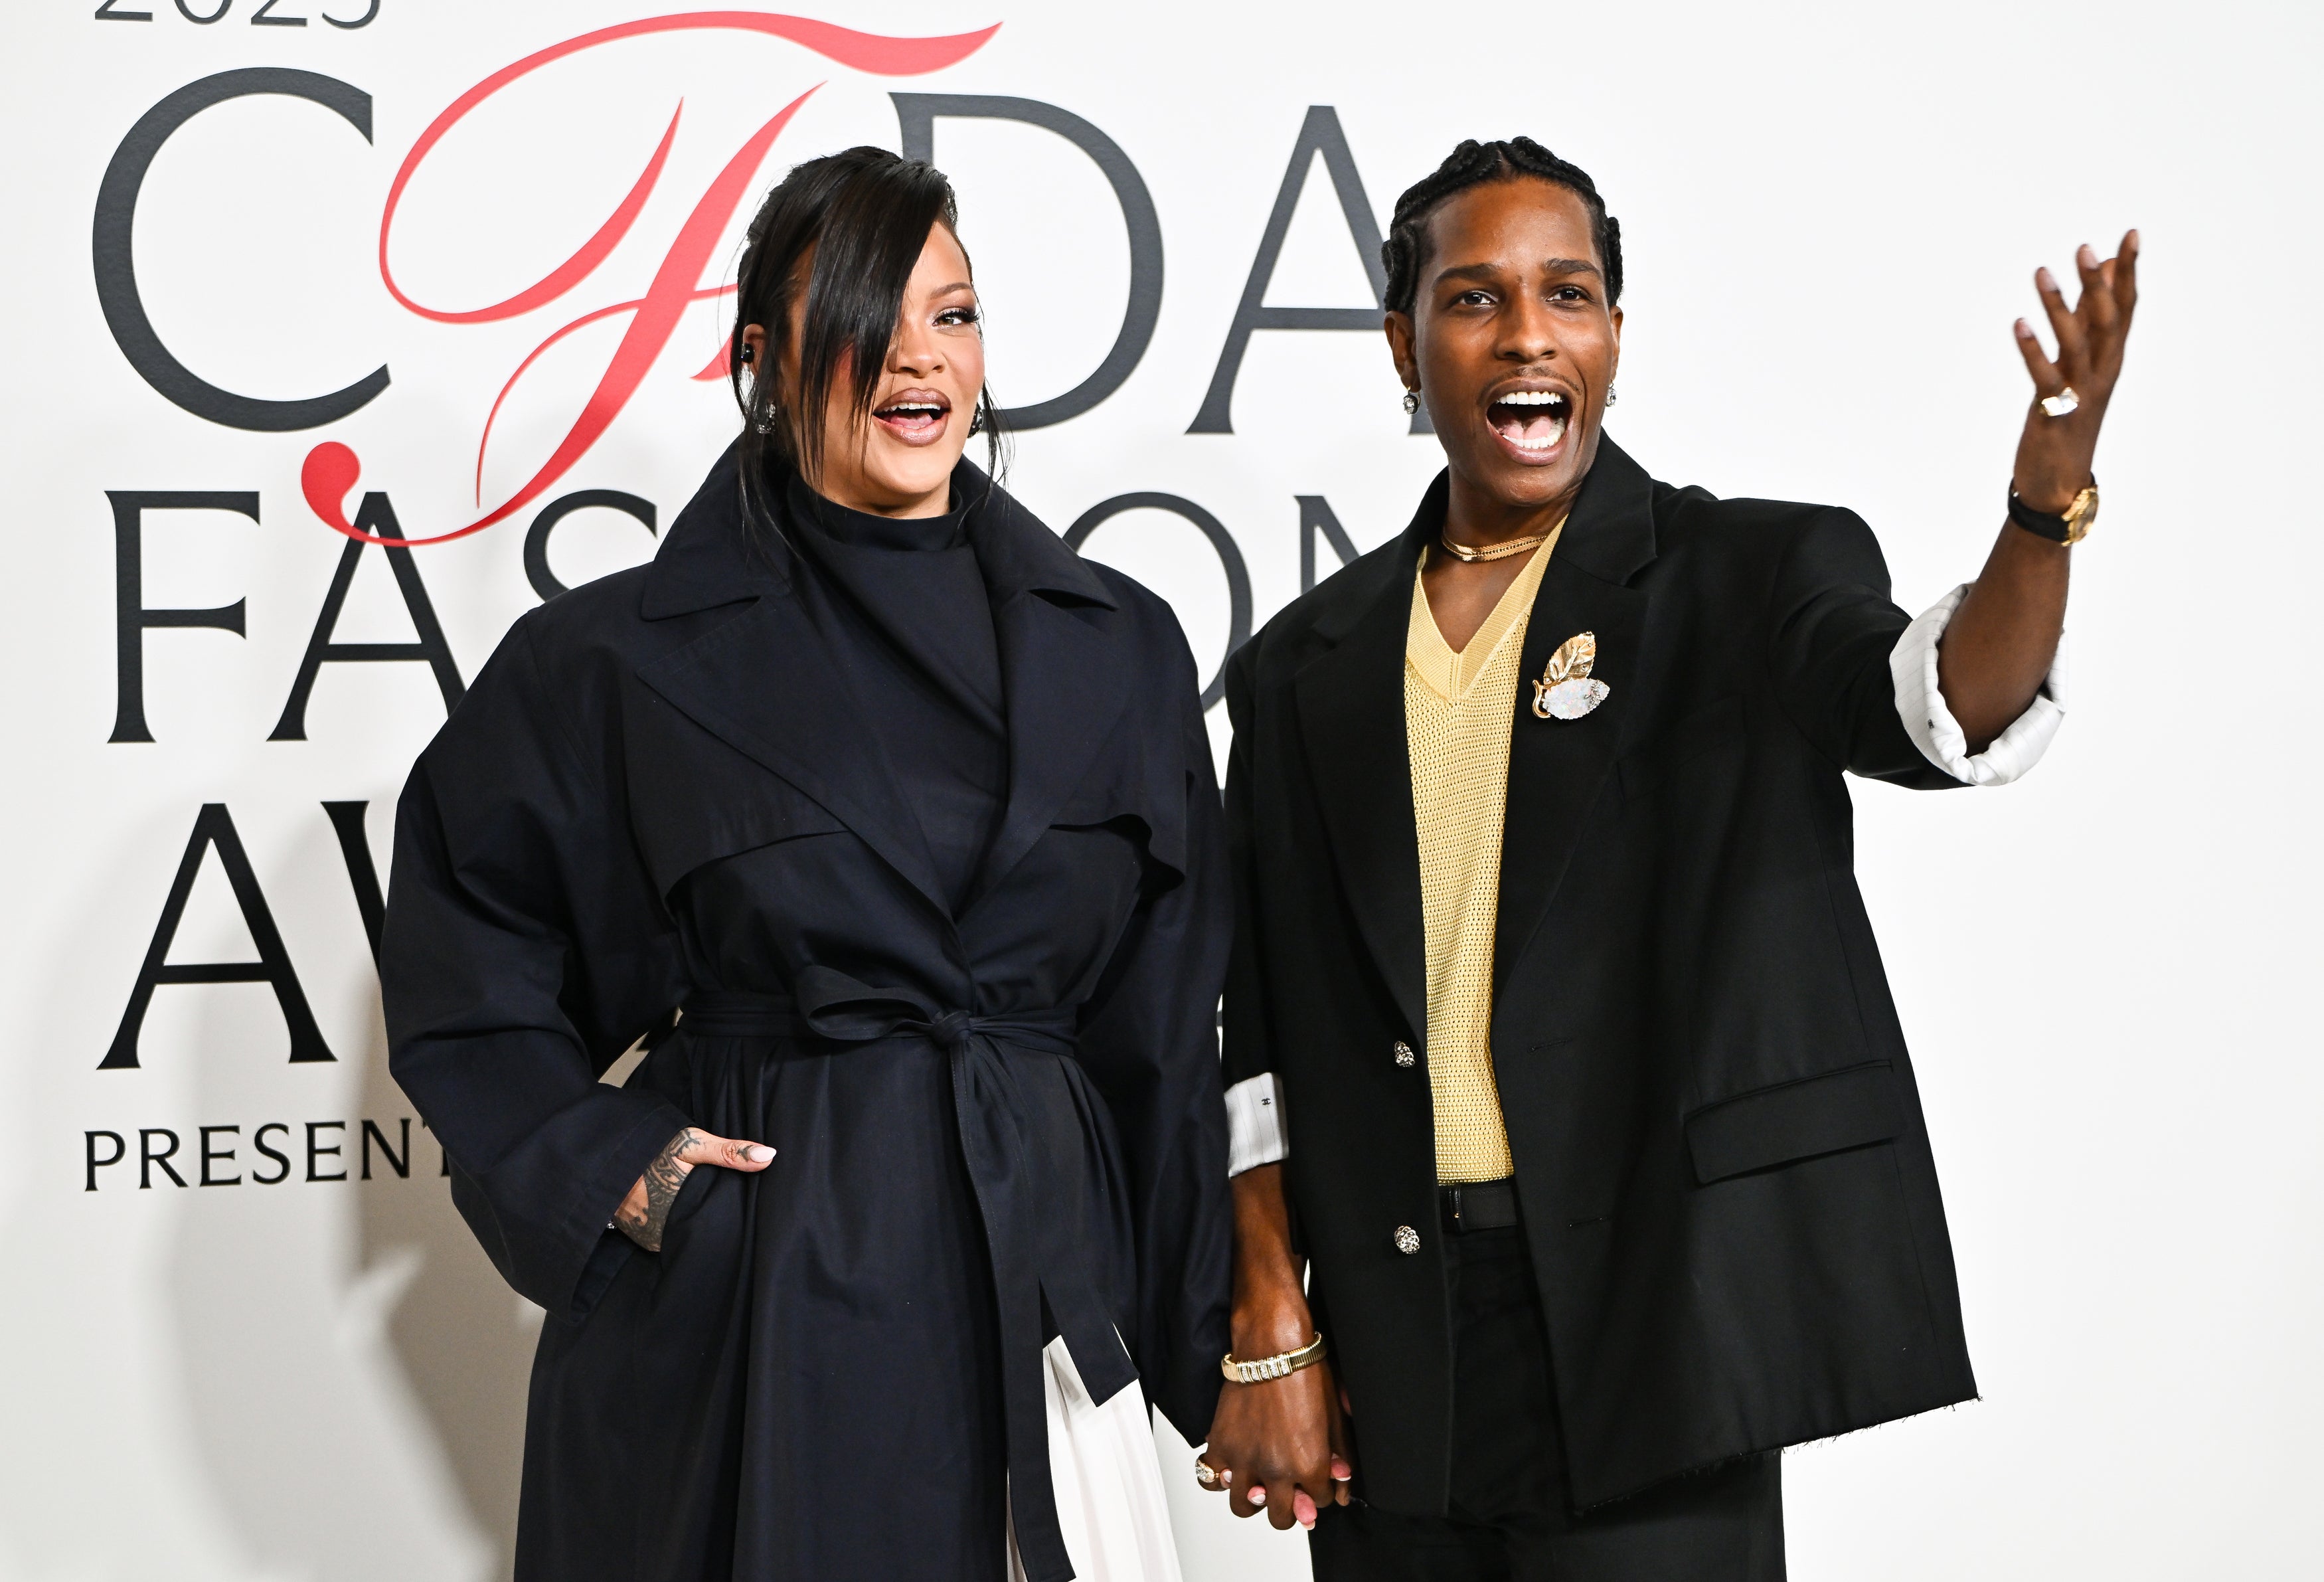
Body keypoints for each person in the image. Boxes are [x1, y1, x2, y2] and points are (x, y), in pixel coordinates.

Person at [1197, 136, 2134, 1580]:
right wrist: (1271, 1319)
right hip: (1395, 1360)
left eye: (1568, 294)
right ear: (1403, 343)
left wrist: (2040, 511)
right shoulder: (1297, 670)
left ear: (1613, 337)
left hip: (1655, 1330)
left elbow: (1939, 704)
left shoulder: (1744, 576)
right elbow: (1252, 1035)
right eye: (1473, 298)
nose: (1526, 333)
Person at [380, 147, 1230, 1582]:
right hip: (760, 1316)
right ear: (765, 356)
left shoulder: (1122, 643)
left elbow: (1160, 1036)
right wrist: (626, 1181)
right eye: (864, 315)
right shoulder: (618, 659)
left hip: (1043, 1301)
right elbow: (468, 961)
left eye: (953, 315)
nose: (918, 359)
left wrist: (1218, 1352)